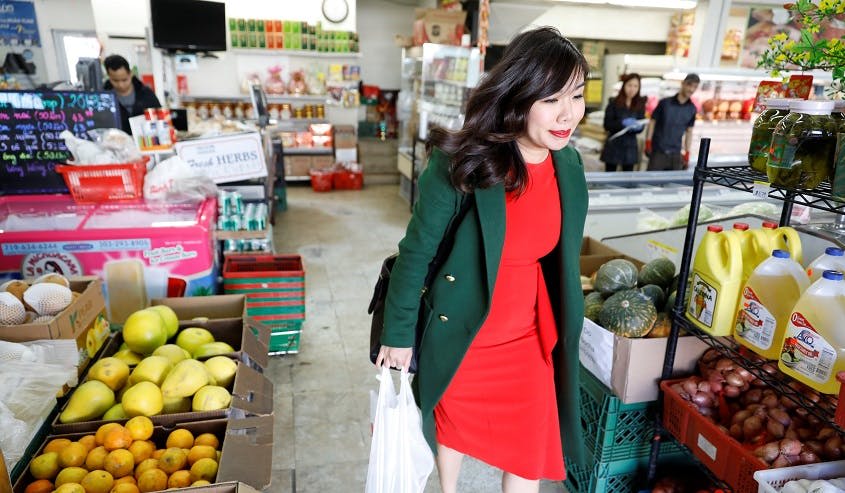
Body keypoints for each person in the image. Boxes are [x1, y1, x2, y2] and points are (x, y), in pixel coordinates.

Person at [376, 26, 589, 493]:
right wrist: (398, 334)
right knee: (452, 424)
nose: (568, 113)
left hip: (528, 335)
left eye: (576, 95)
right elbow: (416, 253)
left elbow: (561, 262)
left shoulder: (568, 167)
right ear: (518, 95)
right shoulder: (463, 163)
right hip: (464, 331)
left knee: (529, 451)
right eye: (551, 99)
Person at [645, 72, 700, 170]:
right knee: (652, 179)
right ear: (683, 83)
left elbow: (689, 132)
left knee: (674, 180)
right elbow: (652, 122)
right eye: (689, 85)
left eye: (695, 87)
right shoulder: (664, 103)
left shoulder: (692, 109)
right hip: (658, 152)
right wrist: (648, 142)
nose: (691, 89)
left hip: (676, 155)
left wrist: (687, 152)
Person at [102, 54, 161, 134]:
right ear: (109, 76)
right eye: (115, 80)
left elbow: (160, 117)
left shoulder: (146, 93)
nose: (120, 85)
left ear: (130, 74)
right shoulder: (104, 98)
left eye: (124, 80)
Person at [600, 73, 646, 172]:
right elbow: (607, 125)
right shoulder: (613, 103)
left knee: (627, 176)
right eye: (629, 85)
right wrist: (622, 123)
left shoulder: (640, 105)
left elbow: (641, 125)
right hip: (614, 145)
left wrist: (638, 127)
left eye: (635, 86)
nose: (632, 89)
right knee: (610, 176)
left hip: (630, 146)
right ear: (624, 85)